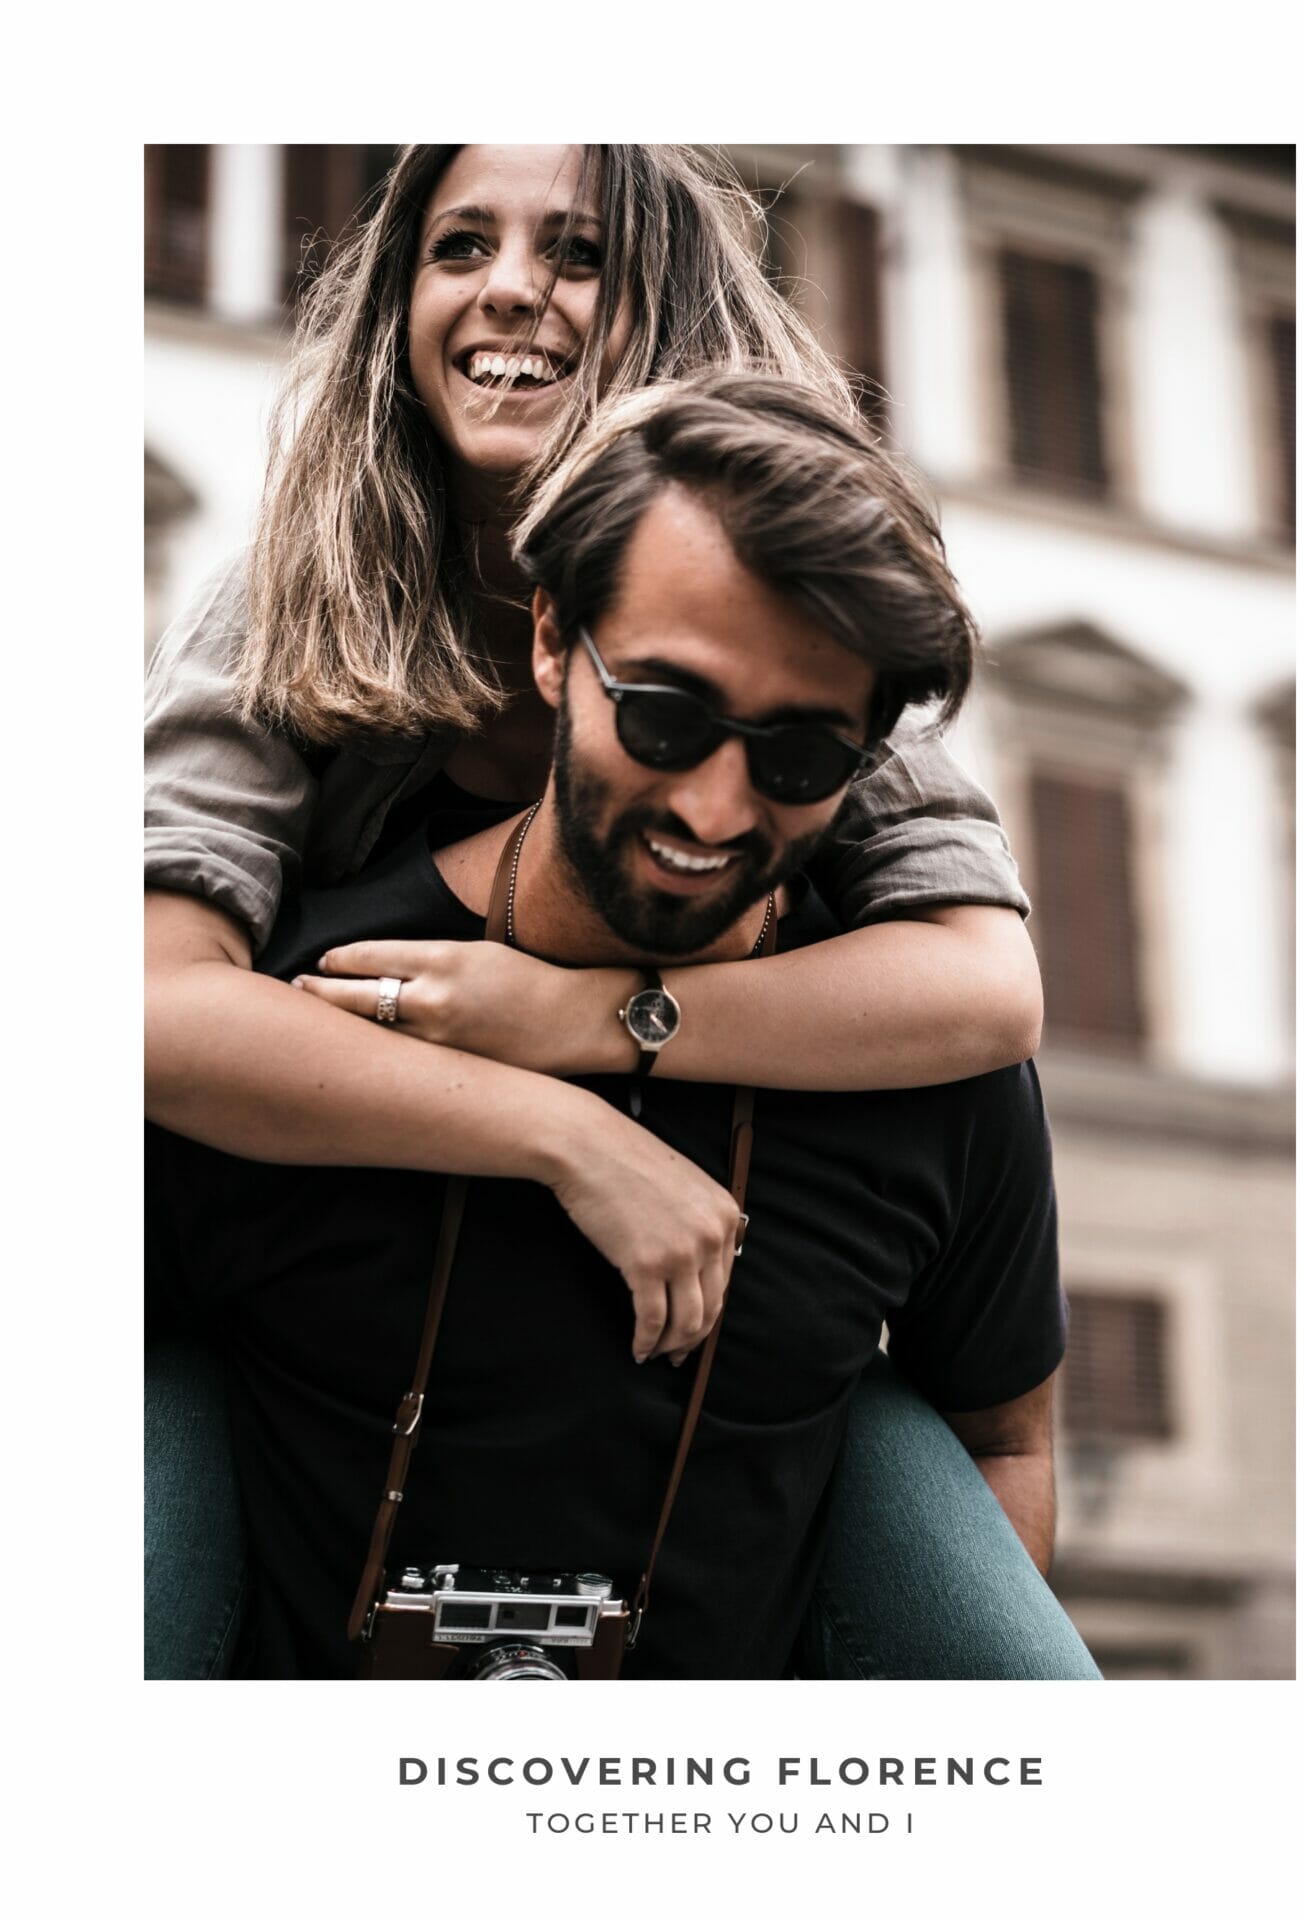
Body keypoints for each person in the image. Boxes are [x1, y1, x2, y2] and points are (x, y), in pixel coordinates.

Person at [144, 145, 1043, 1678]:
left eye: (575, 254)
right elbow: (144, 1006)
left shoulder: (791, 601)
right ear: (559, 647)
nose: (510, 288)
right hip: (322, 1158)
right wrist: (565, 1128)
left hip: (754, 1105)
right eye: (459, 246)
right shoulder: (296, 584)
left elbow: (986, 994)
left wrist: (580, 1023)